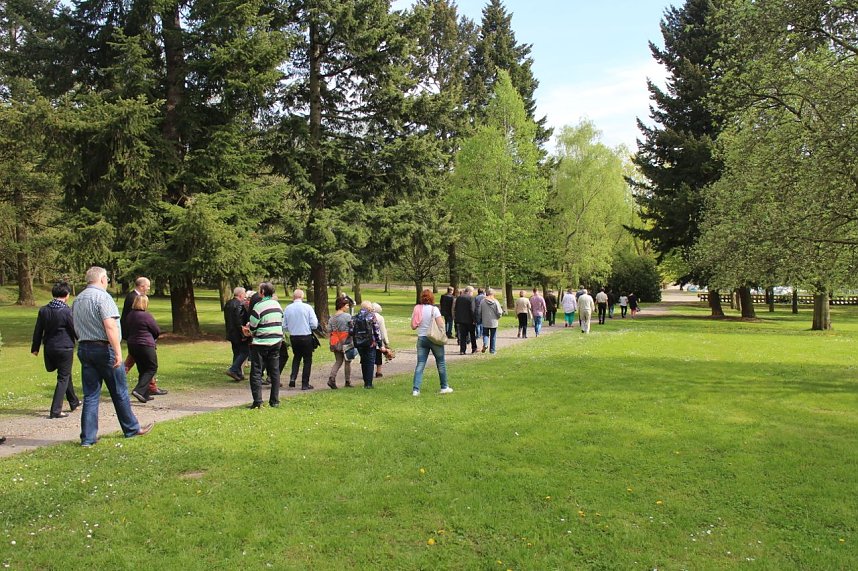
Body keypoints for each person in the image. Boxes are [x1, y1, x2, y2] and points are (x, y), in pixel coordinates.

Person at [73, 266, 153, 446]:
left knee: (90, 394)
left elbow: (75, 325)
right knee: (119, 391)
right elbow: (110, 326)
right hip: (104, 348)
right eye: (107, 279)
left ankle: (88, 438)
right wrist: (117, 351)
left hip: (84, 347)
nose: (107, 281)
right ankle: (131, 428)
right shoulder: (103, 297)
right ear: (102, 279)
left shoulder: (78, 299)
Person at [31, 281, 80, 418]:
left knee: (66, 374)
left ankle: (74, 402)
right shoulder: (66, 311)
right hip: (64, 347)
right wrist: (82, 340)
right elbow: (74, 329)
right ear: (67, 295)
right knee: (63, 377)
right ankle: (56, 410)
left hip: (49, 348)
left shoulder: (44, 310)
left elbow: (38, 330)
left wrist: (35, 348)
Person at [121, 277, 166, 396]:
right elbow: (154, 329)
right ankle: (142, 388)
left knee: (142, 365)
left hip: (134, 339)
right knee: (143, 364)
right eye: (148, 286)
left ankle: (148, 388)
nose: (148, 289)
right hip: (139, 339)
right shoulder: (134, 299)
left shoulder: (134, 303)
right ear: (142, 286)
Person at [244, 282, 284, 408]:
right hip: (276, 341)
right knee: (274, 371)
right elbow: (280, 321)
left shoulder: (259, 306)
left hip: (261, 342)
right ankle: (274, 401)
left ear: (262, 292)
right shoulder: (277, 305)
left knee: (256, 371)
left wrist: (249, 330)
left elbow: (253, 326)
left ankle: (258, 401)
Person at [410, 289, 453, 397]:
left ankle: (416, 389)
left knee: (420, 363)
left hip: (422, 338)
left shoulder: (417, 308)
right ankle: (444, 387)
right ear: (432, 298)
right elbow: (441, 324)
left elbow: (413, 326)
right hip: (434, 338)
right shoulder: (434, 309)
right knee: (440, 362)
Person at [124, 295, 162, 404]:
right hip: (145, 344)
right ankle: (139, 390)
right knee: (152, 367)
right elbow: (156, 330)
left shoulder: (130, 315)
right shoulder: (146, 316)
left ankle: (144, 393)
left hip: (132, 344)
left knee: (142, 368)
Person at [282, 288, 318, 390]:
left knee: (297, 357)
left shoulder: (288, 308)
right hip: (306, 336)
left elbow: (284, 325)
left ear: (293, 297)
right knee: (307, 359)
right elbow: (314, 324)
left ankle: (293, 378)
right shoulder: (308, 307)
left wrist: (292, 328)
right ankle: (305, 383)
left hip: (294, 337)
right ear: (302, 297)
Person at [350, 301, 383, 388]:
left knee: (364, 361)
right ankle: (368, 384)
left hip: (359, 343)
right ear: (369, 308)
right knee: (370, 362)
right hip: (370, 342)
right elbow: (376, 330)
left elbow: (351, 331)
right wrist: (380, 343)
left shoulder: (355, 317)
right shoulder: (372, 316)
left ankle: (365, 380)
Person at [224, 287, 250, 381]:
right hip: (238, 333)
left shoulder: (228, 303)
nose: (245, 295)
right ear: (240, 294)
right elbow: (239, 320)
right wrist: (243, 333)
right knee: (245, 352)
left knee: (236, 352)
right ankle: (233, 369)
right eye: (244, 293)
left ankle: (238, 373)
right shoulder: (239, 305)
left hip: (231, 332)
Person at [326, 296, 353, 389]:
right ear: (342, 306)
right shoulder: (347, 316)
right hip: (346, 341)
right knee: (347, 361)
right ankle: (347, 381)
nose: (348, 307)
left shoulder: (332, 318)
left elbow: (329, 330)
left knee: (338, 361)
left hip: (335, 342)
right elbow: (352, 328)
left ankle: (332, 378)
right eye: (347, 305)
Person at [478, 288, 504, 354]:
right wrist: (498, 317)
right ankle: (492, 350)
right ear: (493, 294)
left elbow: (479, 311)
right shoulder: (496, 301)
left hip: (485, 321)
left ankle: (485, 343)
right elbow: (499, 312)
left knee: (485, 334)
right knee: (493, 336)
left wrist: (481, 318)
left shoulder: (482, 301)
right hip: (494, 321)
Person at [454, 286, 477, 354]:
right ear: (470, 291)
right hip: (470, 320)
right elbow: (472, 310)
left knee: (463, 336)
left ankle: (462, 350)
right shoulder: (471, 298)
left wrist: (457, 318)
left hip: (461, 320)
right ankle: (474, 348)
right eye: (472, 292)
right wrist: (474, 319)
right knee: (472, 335)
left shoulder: (459, 298)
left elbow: (456, 308)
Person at [371, 302, 392, 378]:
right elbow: (383, 331)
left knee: (368, 358)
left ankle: (367, 372)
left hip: (368, 341)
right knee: (378, 356)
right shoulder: (380, 318)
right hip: (377, 341)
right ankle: (378, 372)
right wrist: (386, 342)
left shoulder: (366, 316)